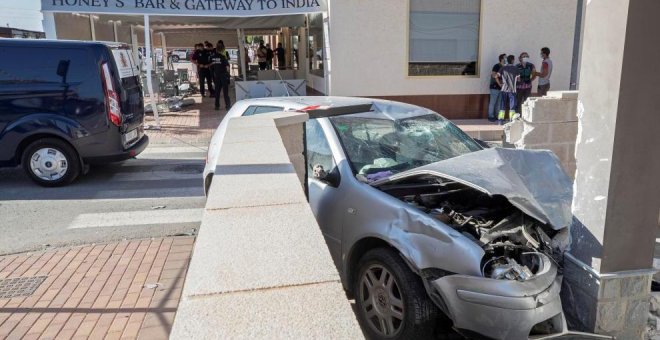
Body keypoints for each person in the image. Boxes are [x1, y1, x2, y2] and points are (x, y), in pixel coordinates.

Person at [497, 55, 521, 125]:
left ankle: (500, 121)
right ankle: (511, 121)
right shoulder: (516, 69)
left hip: (503, 89)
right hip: (512, 90)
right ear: (513, 60)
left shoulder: (503, 68)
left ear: (507, 60)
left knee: (502, 106)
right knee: (512, 107)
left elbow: (496, 75)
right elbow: (519, 79)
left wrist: (500, 83)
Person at [210, 40, 231, 110]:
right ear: (222, 49)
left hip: (217, 76)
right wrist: (228, 74)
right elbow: (227, 67)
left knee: (217, 92)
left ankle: (217, 106)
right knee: (225, 92)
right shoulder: (223, 57)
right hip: (223, 76)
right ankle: (227, 106)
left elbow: (212, 67)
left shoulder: (213, 57)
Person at [488, 54, 506, 122]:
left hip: (501, 88)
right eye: (505, 57)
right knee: (493, 102)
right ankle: (491, 116)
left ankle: (497, 115)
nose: (506, 59)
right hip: (495, 87)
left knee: (499, 103)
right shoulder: (497, 66)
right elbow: (493, 75)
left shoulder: (505, 67)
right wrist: (500, 84)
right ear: (501, 59)